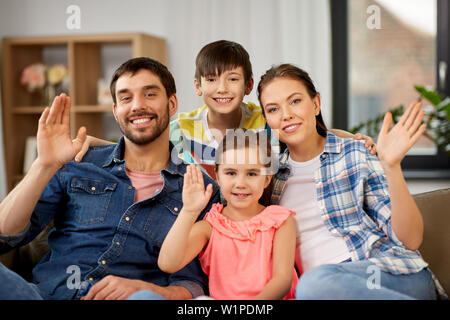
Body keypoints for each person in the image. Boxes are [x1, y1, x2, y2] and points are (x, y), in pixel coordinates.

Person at [0, 57, 219, 300]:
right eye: (126, 98)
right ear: (116, 111)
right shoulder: (78, 164)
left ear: (172, 103)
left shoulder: (201, 189)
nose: (137, 106)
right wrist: (43, 165)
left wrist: (147, 290)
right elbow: (5, 236)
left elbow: (192, 285)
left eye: (149, 94)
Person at [256, 63, 447, 299]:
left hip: (392, 274)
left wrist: (391, 167)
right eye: (273, 109)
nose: (286, 115)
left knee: (313, 284)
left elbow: (410, 240)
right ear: (266, 119)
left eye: (295, 101)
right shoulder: (268, 179)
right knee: (314, 286)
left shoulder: (355, 153)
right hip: (327, 291)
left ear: (315, 104)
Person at [77, 40, 376, 180]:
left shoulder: (263, 120)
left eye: (232, 79)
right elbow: (140, 142)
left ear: (247, 85)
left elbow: (305, 129)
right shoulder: (183, 126)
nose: (221, 88)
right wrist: (94, 142)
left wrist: (349, 136)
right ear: (197, 86)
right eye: (211, 80)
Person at [156, 130, 298, 300]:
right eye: (231, 173)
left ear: (267, 179)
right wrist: (189, 211)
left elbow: (282, 281)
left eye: (252, 174)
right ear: (218, 176)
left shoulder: (280, 220)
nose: (240, 183)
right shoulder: (210, 226)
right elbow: (167, 263)